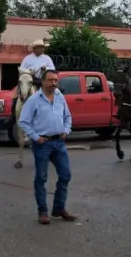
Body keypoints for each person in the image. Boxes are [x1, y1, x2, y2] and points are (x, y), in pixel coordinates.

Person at [18, 69, 76, 225]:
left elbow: (67, 116)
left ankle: (59, 208)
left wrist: (66, 130)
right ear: (43, 82)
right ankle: (43, 211)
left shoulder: (59, 96)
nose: (54, 83)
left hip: (59, 142)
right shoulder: (34, 100)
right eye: (50, 80)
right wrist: (36, 137)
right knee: (41, 178)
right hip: (43, 144)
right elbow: (23, 121)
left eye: (56, 80)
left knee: (65, 175)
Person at [12, 39, 56, 116]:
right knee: (17, 95)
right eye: (40, 47)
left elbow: (53, 69)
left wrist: (45, 69)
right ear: (35, 48)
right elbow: (22, 70)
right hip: (30, 80)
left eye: (43, 47)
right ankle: (13, 115)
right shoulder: (27, 58)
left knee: (53, 93)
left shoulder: (47, 58)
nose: (42, 49)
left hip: (43, 81)